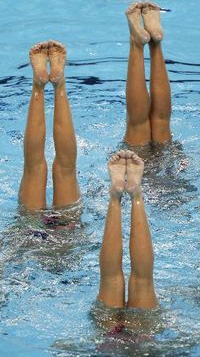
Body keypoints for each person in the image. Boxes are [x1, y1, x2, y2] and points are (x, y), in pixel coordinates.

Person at [95, 150, 160, 335]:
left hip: (126, 342)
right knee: (135, 281)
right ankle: (131, 196)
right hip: (127, 342)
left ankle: (120, 196)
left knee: (137, 280)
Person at [18, 40, 81, 213]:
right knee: (66, 169)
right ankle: (59, 85)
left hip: (29, 232)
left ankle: (38, 87)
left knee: (33, 168)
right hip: (67, 231)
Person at [123, 1, 172, 148]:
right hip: (167, 164)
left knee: (146, 125)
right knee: (159, 122)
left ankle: (139, 43)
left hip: (143, 161)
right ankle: (153, 42)